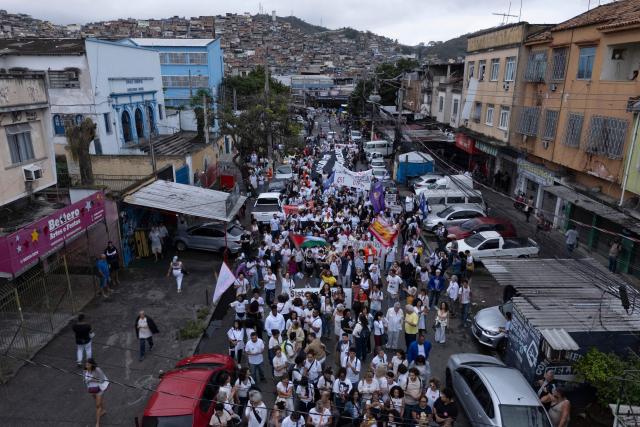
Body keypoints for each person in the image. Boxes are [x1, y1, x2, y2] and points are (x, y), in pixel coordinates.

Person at [83, 358, 109, 427]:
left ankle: (97, 423)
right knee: (98, 401)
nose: (86, 366)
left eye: (88, 364)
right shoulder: (85, 370)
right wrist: (87, 381)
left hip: (99, 388)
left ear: (92, 365)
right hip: (91, 389)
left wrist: (92, 380)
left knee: (97, 405)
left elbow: (102, 380)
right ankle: (103, 410)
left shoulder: (97, 370)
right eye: (86, 364)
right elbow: (84, 379)